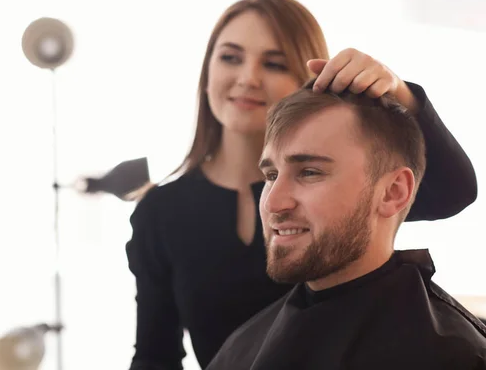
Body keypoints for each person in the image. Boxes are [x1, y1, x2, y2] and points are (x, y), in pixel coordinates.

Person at [125, 0, 478, 370]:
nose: (248, 78)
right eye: (230, 57)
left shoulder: (352, 189)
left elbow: (452, 191)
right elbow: (154, 355)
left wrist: (401, 94)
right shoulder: (162, 213)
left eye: (274, 63)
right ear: (206, 72)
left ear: (309, 80)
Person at [205, 80, 486, 370]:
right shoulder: (243, 346)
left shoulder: (453, 358)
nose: (273, 203)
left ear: (393, 192)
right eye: (272, 175)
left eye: (310, 172)